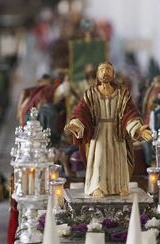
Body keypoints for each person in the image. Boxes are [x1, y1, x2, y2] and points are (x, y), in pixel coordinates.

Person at [64, 62, 152, 197]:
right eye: (102, 70)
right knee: (99, 159)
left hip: (117, 132)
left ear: (113, 74)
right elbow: (81, 111)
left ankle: (120, 186)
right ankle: (97, 186)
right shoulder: (91, 94)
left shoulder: (122, 95)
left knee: (118, 160)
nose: (105, 72)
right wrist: (77, 124)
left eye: (108, 69)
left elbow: (129, 114)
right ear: (98, 75)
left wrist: (138, 129)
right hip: (98, 132)